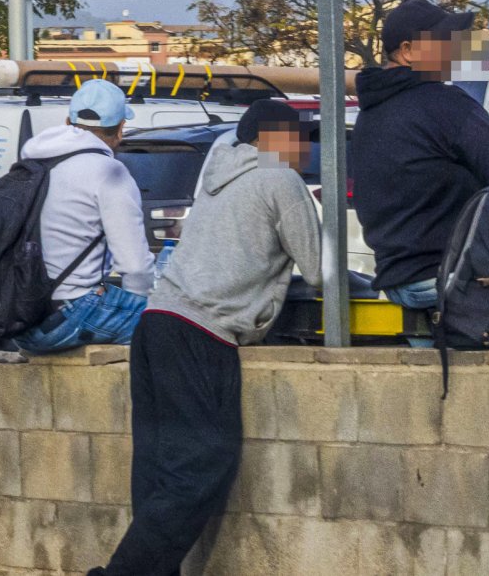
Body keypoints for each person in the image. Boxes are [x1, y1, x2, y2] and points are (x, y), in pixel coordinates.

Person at [91, 100, 321, 576]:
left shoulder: (220, 173)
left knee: (157, 471)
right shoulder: (281, 180)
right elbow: (322, 271)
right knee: (201, 464)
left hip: (156, 322)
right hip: (201, 331)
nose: (305, 149)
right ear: (275, 140)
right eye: (299, 138)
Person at [350, 0, 489, 311]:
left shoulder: (369, 114)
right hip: (446, 279)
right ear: (408, 51)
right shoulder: (443, 103)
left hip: (396, 281)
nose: (453, 50)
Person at [12, 79, 157, 353]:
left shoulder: (31, 163)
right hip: (70, 317)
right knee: (173, 322)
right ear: (121, 129)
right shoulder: (109, 173)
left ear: (68, 120)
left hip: (20, 319)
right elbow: (136, 269)